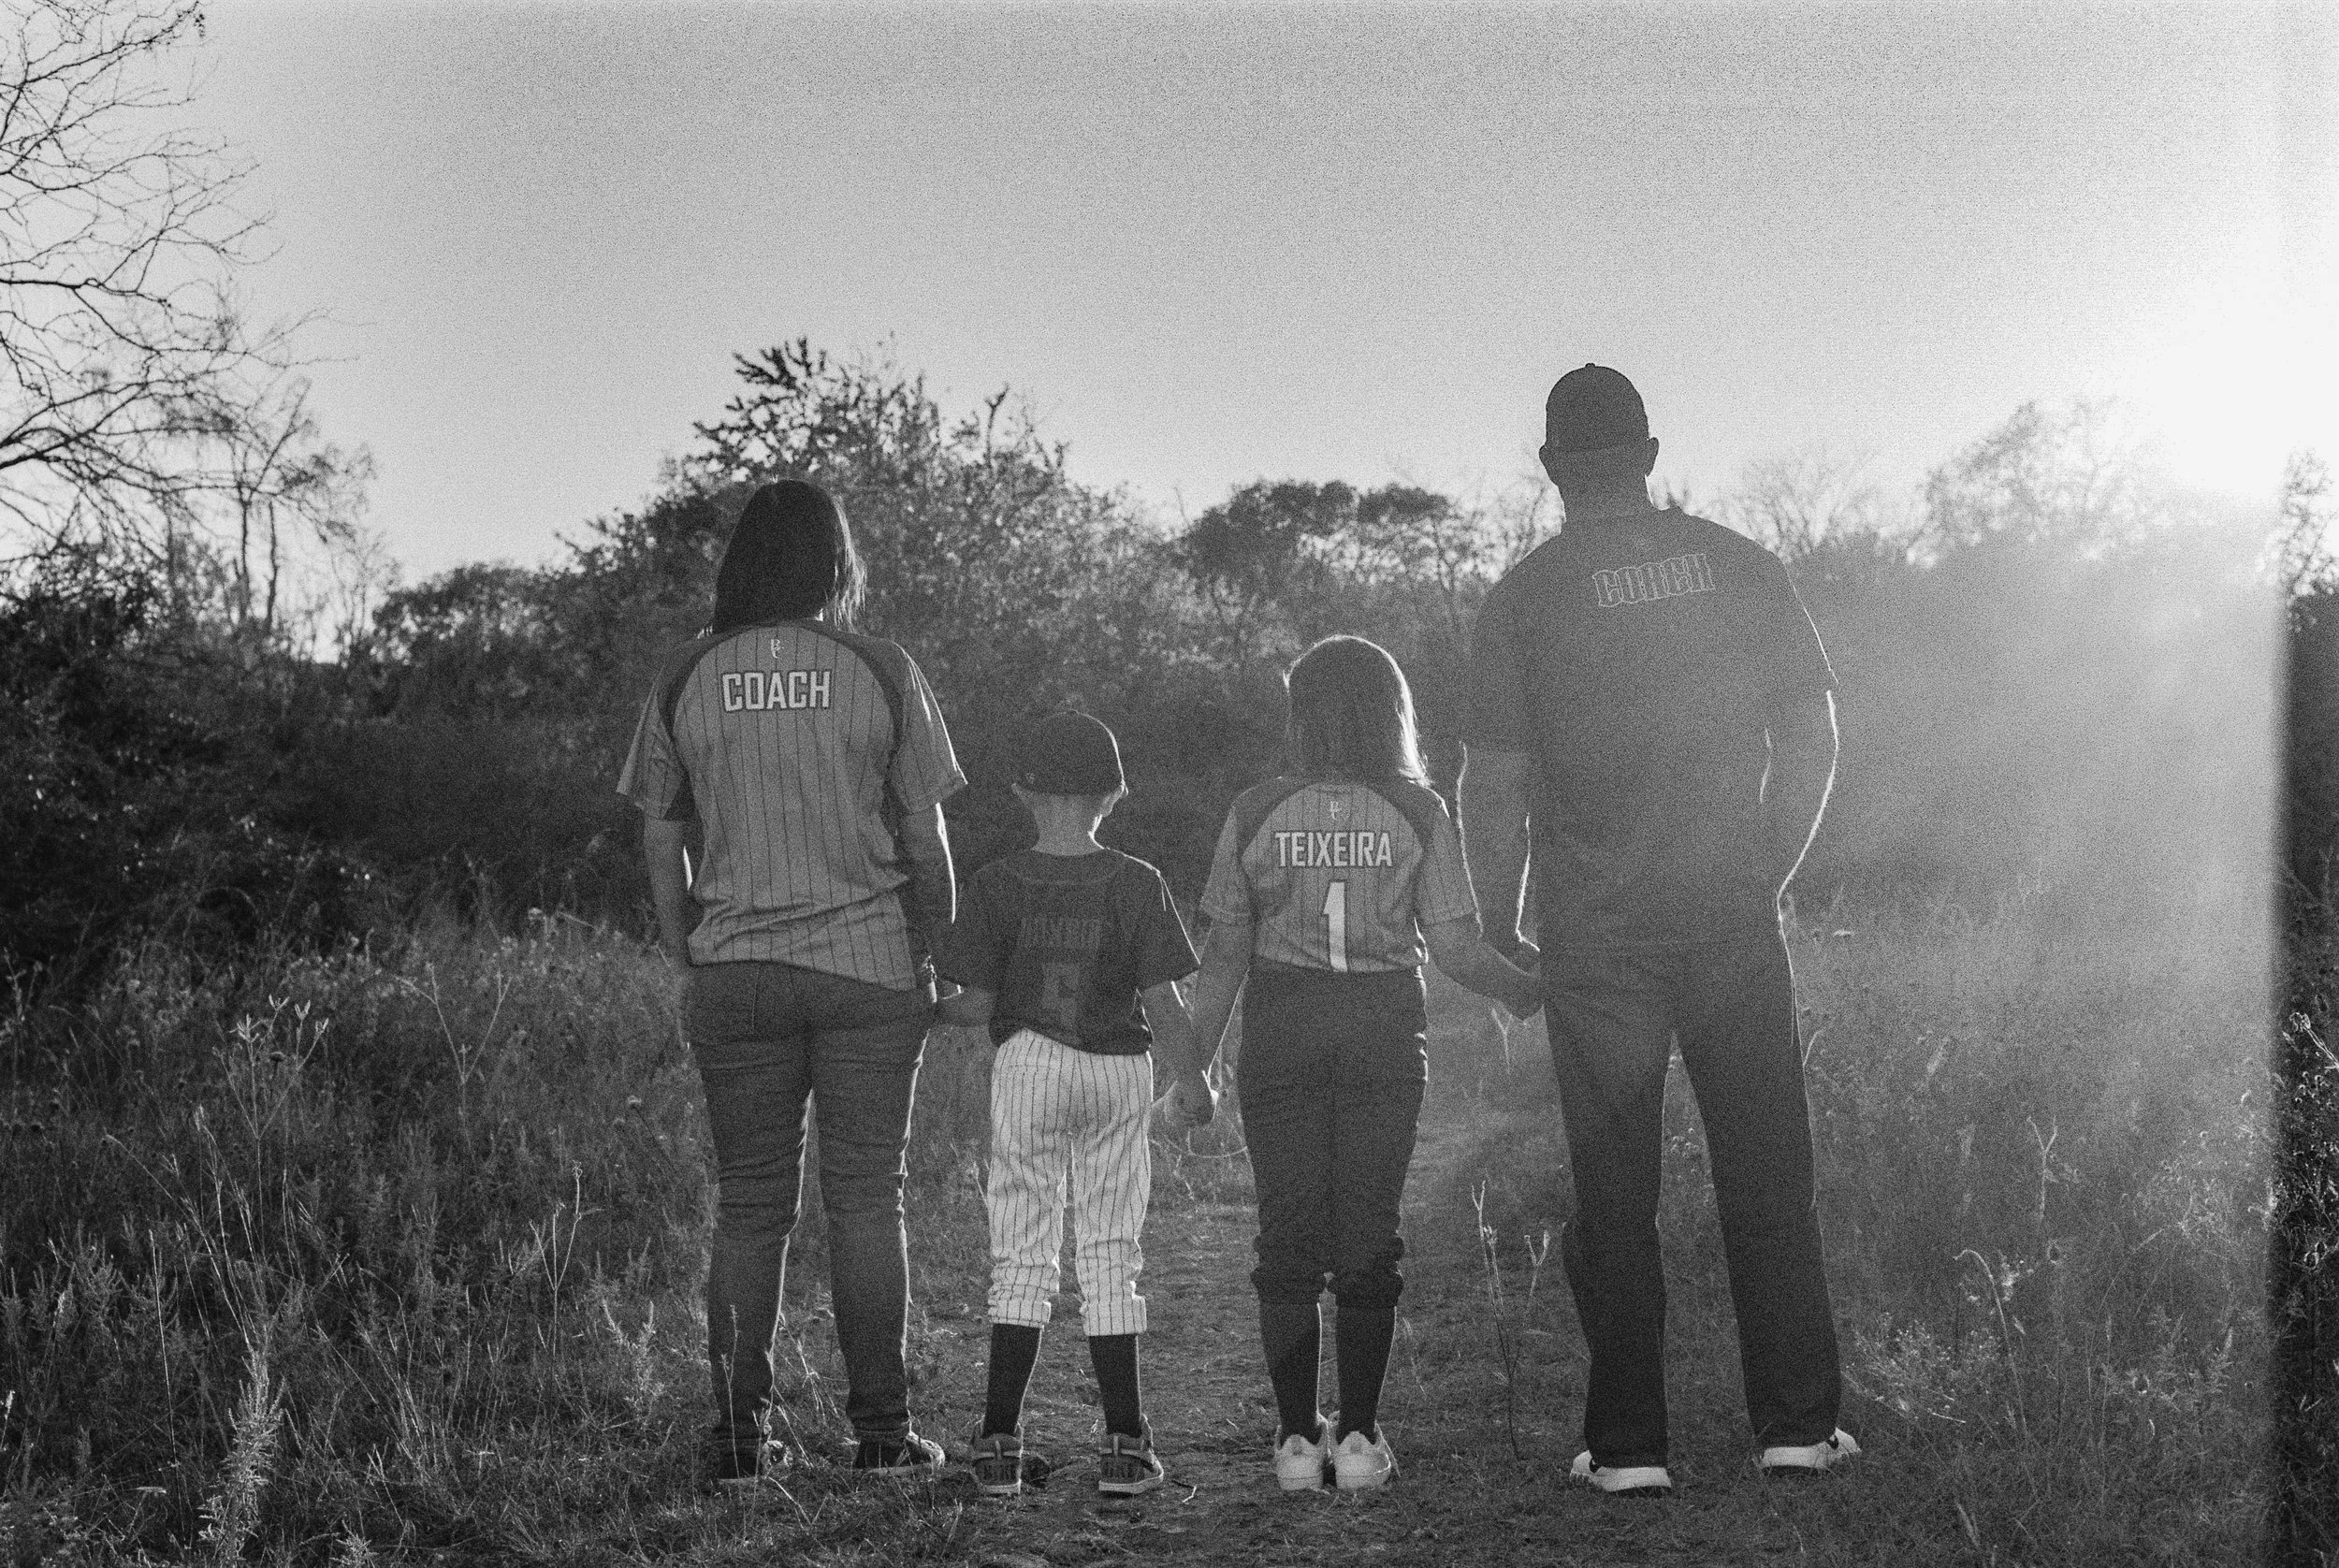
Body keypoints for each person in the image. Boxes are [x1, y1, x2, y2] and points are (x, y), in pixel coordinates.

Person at [1457, 364, 1856, 1496]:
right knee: (1768, 1174)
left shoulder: (1525, 598)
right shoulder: (1741, 565)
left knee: (1613, 1191)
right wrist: (1762, 872)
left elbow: (1493, 786)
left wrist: (1499, 927)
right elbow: (1813, 738)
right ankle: (1793, 1424)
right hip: (1728, 919)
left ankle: (1630, 1447)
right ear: (1649, 452)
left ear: (1549, 469)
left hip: (1596, 941)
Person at [617, 477, 964, 1486]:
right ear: (834, 563)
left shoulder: (686, 672)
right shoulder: (882, 668)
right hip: (868, 970)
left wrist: (686, 949)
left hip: (737, 972)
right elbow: (924, 833)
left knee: (749, 1206)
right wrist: (934, 950)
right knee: (866, 1199)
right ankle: (883, 1432)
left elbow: (658, 835)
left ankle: (737, 1439)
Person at [1184, 636, 1541, 1493]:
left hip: (1283, 1022)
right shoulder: (1418, 812)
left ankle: (1296, 1445)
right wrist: (1533, 992)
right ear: (1395, 714)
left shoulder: (1256, 807)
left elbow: (1224, 953)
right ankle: (1362, 1438)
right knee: (1369, 1231)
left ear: (1299, 713)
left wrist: (1191, 1061)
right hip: (1382, 1026)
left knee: (1289, 1231)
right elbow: (1456, 946)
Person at [933, 709, 1216, 1499]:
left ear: (1023, 790)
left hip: (1027, 1062)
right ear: (1115, 793)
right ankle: (1126, 1444)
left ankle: (998, 1444)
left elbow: (972, 1003)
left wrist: (919, 1007)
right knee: (1109, 1249)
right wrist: (1193, 1080)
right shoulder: (1136, 881)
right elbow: (1166, 1006)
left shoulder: (995, 883)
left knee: (1022, 1249)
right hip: (1118, 1070)